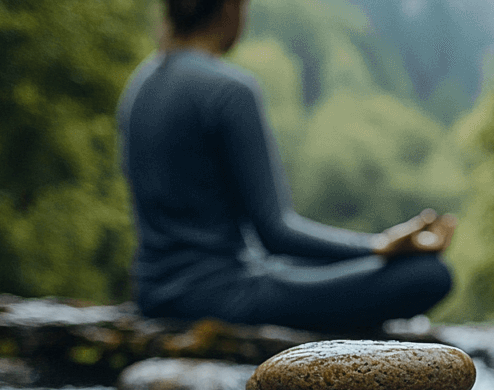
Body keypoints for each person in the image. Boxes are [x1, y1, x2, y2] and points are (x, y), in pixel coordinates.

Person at [117, 0, 457, 331]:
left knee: (292, 270)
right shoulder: (230, 90)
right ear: (230, 8)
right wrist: (377, 246)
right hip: (220, 298)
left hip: (154, 295)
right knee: (429, 274)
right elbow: (276, 233)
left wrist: (374, 249)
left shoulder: (140, 86)